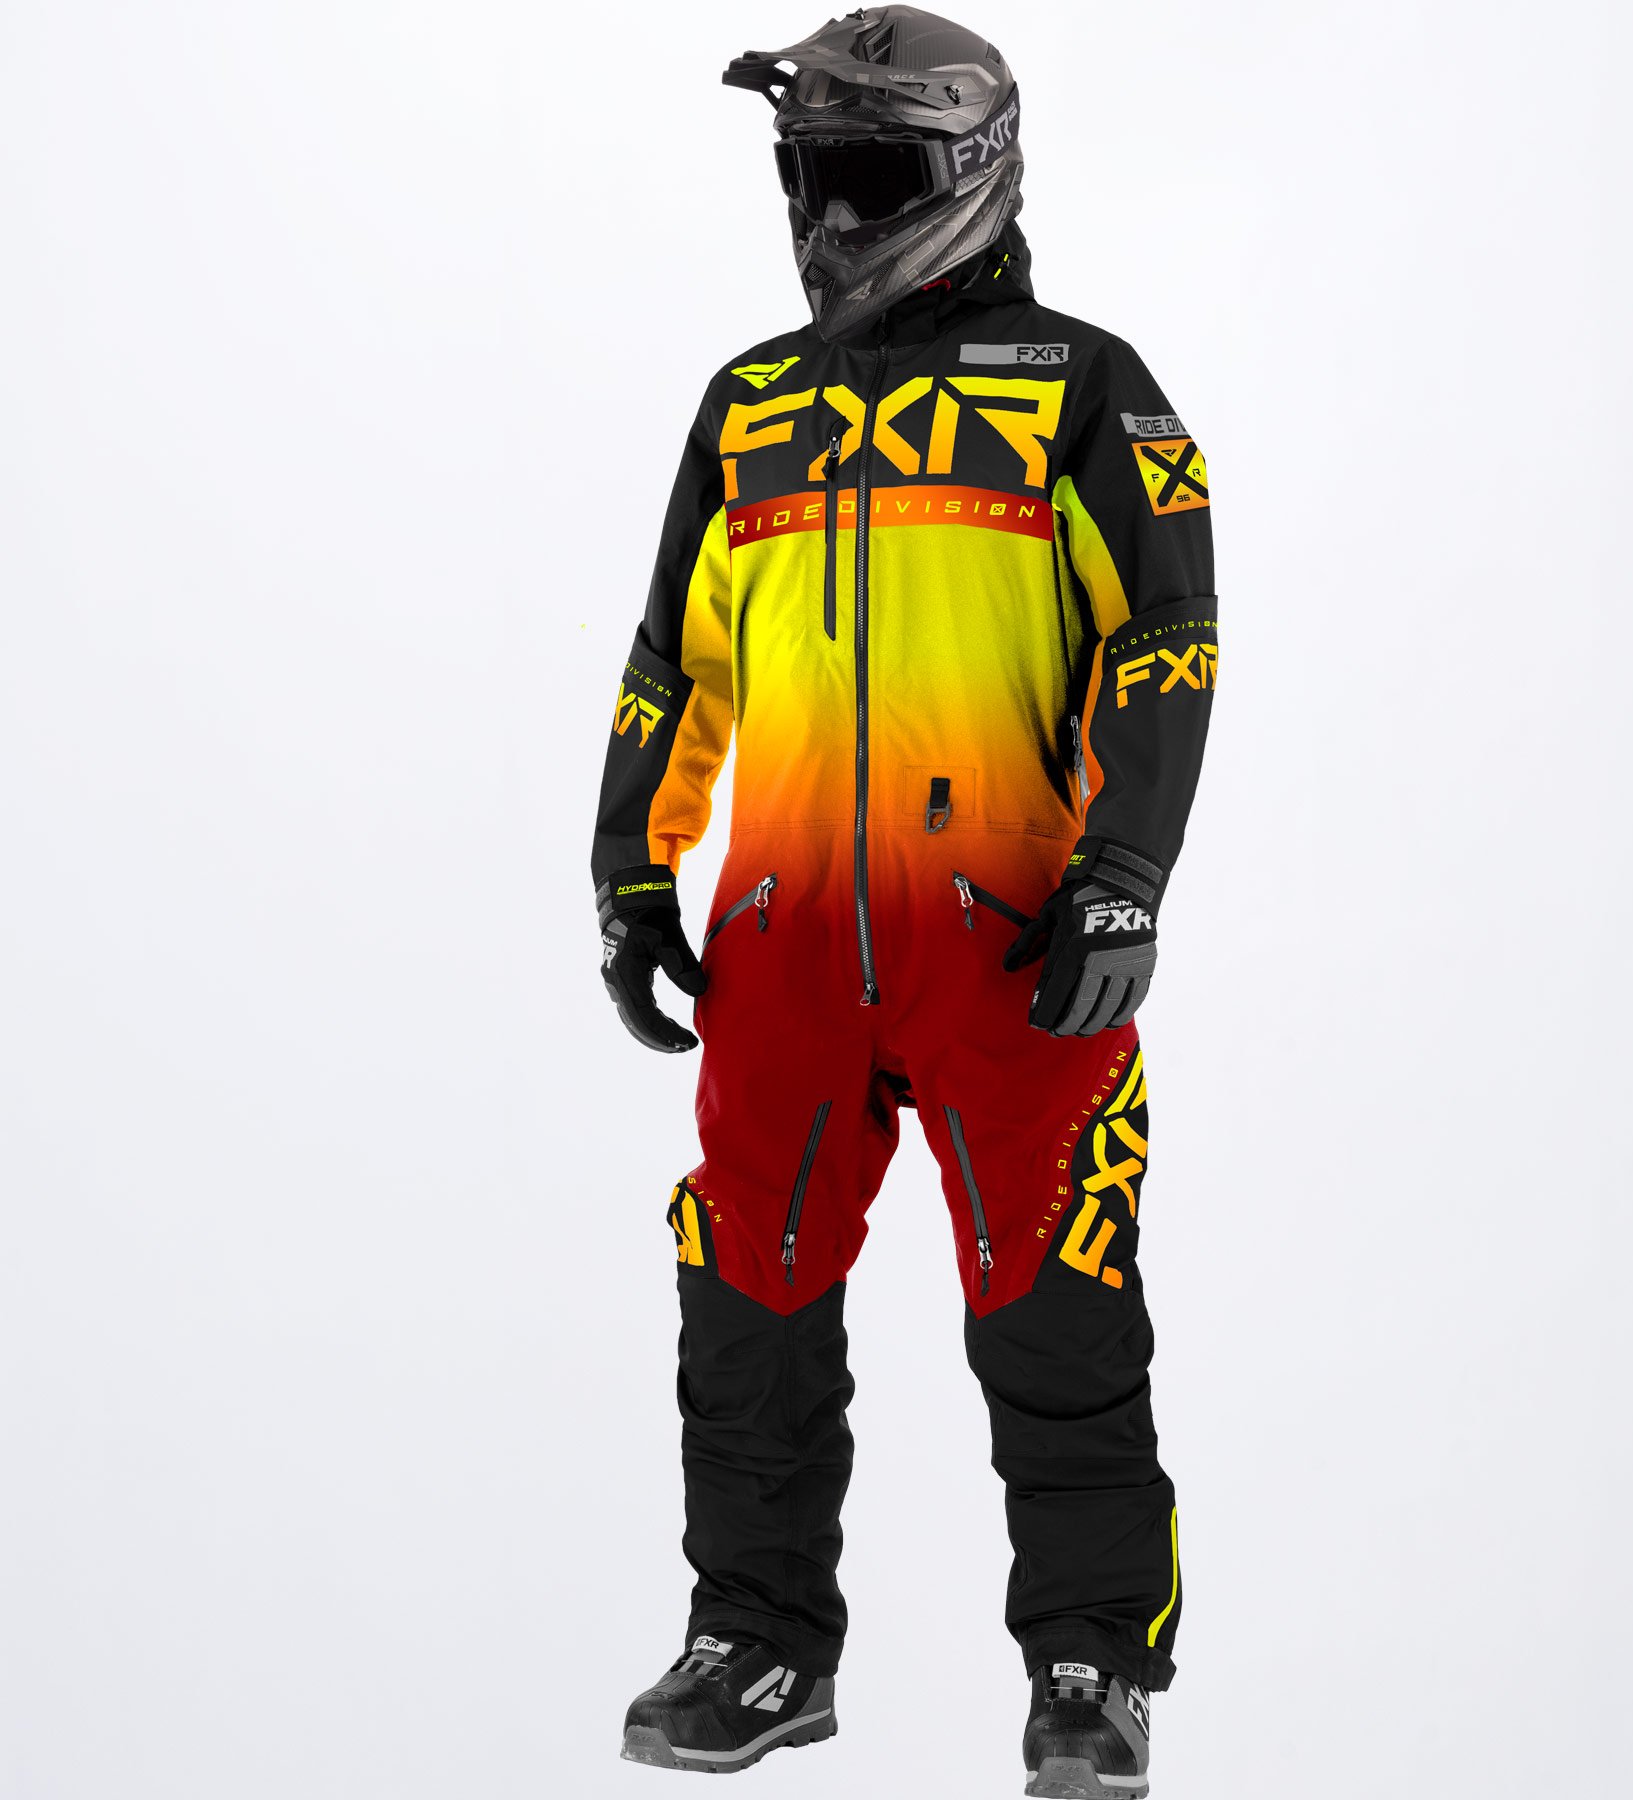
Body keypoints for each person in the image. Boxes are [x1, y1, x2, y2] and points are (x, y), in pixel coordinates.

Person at [591, 9, 1218, 1793]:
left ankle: (1092, 1666)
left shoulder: (1085, 388)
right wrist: (631, 865)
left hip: (1014, 947)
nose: (831, 214)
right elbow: (674, 661)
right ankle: (758, 1642)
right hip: (783, 946)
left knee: (1058, 1306)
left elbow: (1168, 639)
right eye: (810, 174)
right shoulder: (749, 407)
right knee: (746, 1302)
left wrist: (1124, 874)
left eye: (869, 174)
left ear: (971, 170)